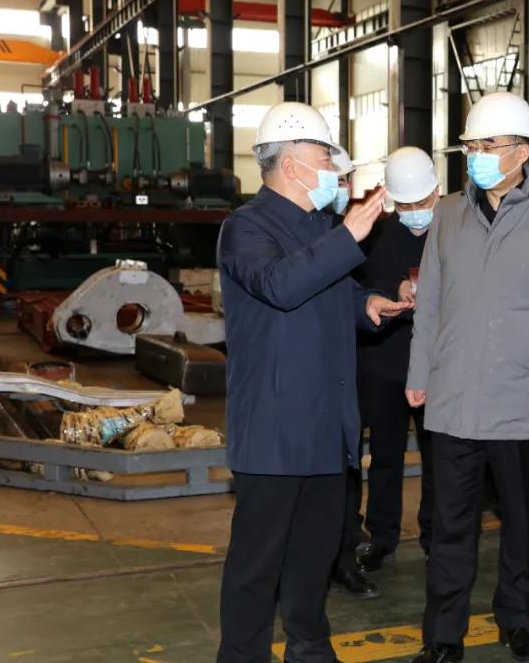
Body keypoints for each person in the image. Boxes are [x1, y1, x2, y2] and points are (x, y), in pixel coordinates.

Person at [215, 102, 410, 663]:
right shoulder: (245, 228)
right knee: (257, 565)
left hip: (327, 425)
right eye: (325, 157)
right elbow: (280, 284)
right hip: (274, 431)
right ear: (292, 164)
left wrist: (366, 303)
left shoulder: (318, 226)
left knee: (313, 556)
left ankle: (310, 650)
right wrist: (349, 234)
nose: (333, 169)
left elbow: (329, 290)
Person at [406, 91, 529, 663]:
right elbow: (429, 302)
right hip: (454, 396)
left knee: (522, 520)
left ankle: (517, 617)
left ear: (521, 151)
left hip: (523, 396)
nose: (477, 155)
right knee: (451, 524)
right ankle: (443, 635)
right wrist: (419, 372)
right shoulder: (447, 215)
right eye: (471, 145)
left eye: (489, 145)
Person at [332, 147, 441, 598]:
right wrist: (389, 287)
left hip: (437, 363)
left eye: (422, 202)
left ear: (437, 190)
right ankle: (381, 536)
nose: (415, 212)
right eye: (406, 204)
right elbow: (352, 287)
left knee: (440, 457)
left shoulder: (455, 230)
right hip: (383, 359)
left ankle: (437, 536)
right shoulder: (374, 234)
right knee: (385, 456)